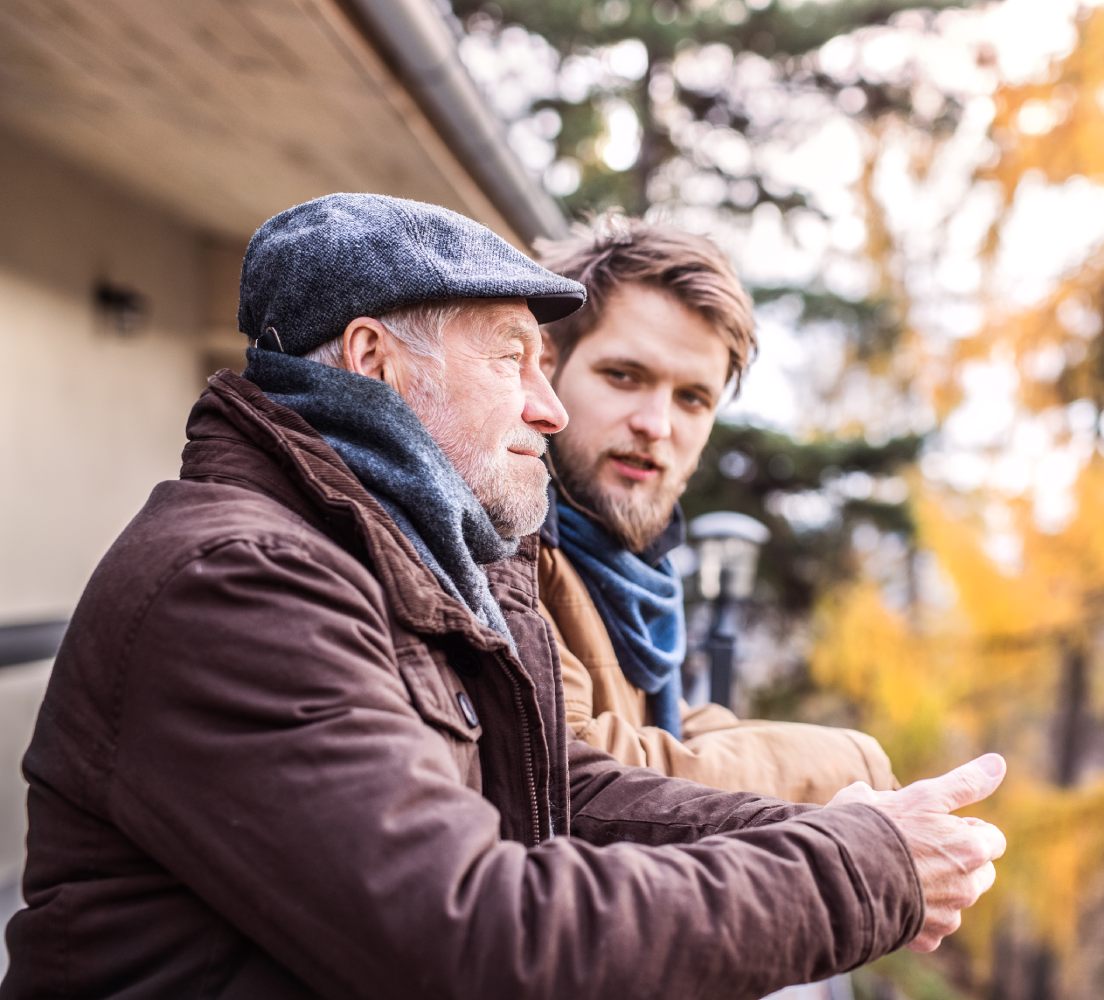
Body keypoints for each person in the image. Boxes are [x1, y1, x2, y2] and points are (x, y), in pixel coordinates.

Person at [0, 193, 1007, 1000]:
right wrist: (855, 870)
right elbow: (473, 937)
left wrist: (845, 834)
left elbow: (564, 792)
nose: (551, 403)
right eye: (514, 358)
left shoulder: (440, 564)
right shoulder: (237, 585)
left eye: (692, 396)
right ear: (370, 362)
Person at [534, 217, 897, 804]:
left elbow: (667, 731)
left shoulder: (633, 575)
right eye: (623, 376)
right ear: (545, 362)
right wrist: (859, 764)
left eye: (692, 398)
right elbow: (575, 765)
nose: (656, 425)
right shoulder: (506, 536)